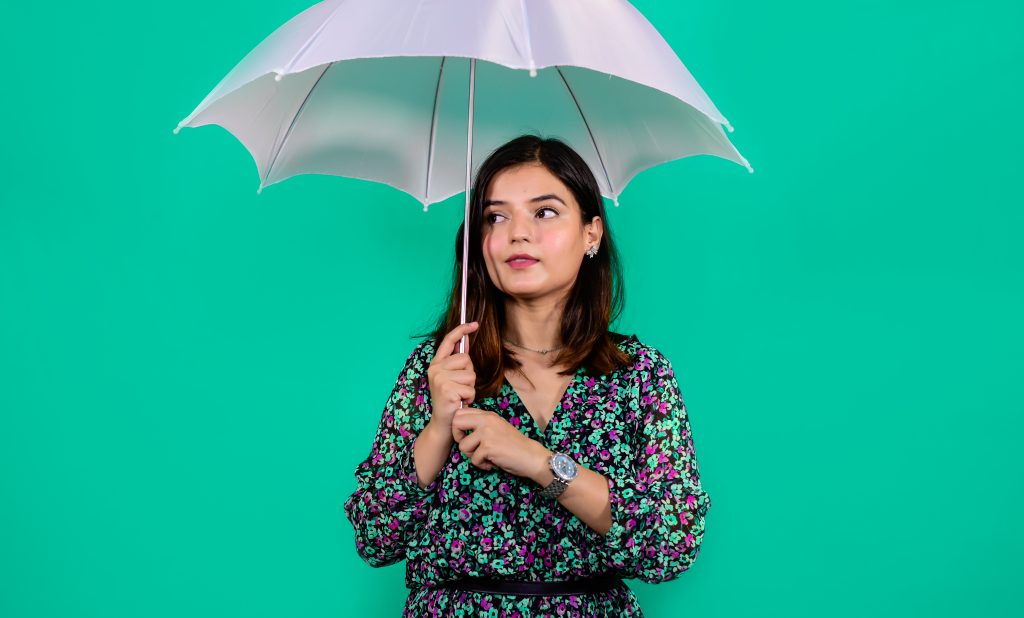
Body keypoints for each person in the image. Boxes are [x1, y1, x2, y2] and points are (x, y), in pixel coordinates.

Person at [343, 134, 711, 617]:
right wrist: (437, 428)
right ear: (480, 243)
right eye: (496, 216)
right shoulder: (441, 368)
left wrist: (538, 461)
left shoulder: (638, 375)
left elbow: (672, 541)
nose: (517, 233)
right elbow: (374, 538)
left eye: (544, 212)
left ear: (592, 234)